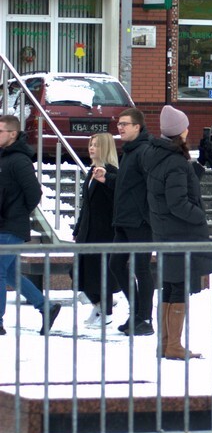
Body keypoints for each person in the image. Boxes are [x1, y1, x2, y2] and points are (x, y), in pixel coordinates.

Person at [144, 105, 212, 360]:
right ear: (180, 131)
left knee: (169, 286)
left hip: (165, 231)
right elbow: (177, 202)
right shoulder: (174, 161)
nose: (187, 130)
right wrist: (200, 215)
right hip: (180, 232)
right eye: (185, 127)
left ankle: (166, 343)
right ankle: (173, 345)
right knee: (179, 287)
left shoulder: (158, 156)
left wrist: (197, 169)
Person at [0, 115, 59, 336]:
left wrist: (17, 212)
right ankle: (46, 307)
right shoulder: (5, 158)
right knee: (11, 273)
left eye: (0, 131)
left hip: (11, 226)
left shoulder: (19, 160)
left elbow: (34, 192)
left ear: (12, 134)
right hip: (5, 224)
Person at [109, 108, 156, 337]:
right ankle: (137, 312)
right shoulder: (129, 151)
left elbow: (152, 185)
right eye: (119, 124)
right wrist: (108, 179)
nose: (120, 128)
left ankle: (145, 319)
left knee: (141, 268)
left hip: (139, 222)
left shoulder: (144, 150)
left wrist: (145, 215)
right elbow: (127, 184)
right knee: (116, 264)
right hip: (124, 220)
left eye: (125, 124)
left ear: (137, 127)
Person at [73, 133, 121, 328]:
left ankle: (106, 311)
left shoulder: (111, 172)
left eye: (96, 145)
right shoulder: (92, 170)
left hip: (103, 231)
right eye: (91, 144)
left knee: (100, 273)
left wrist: (106, 180)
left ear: (106, 148)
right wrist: (78, 228)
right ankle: (100, 304)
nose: (92, 148)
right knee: (78, 271)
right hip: (88, 230)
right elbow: (86, 205)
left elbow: (117, 196)